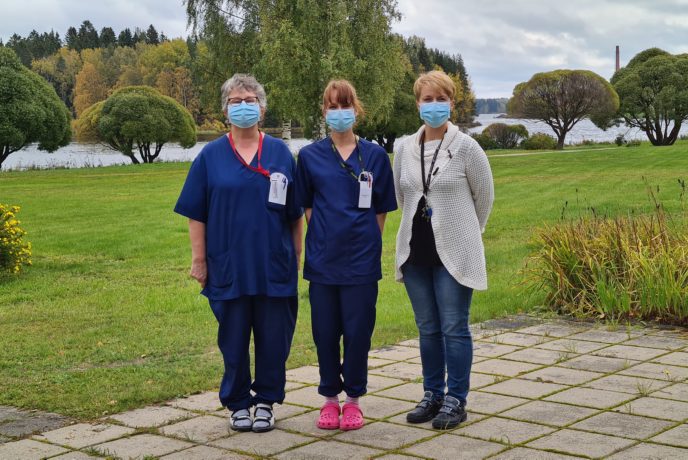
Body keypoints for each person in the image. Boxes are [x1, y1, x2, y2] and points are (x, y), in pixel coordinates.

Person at [174, 74, 303, 433]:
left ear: (262, 108)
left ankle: (266, 401)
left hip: (273, 264)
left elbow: (295, 213)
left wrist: (296, 255)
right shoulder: (210, 157)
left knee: (274, 339)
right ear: (225, 110)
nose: (243, 106)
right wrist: (199, 260)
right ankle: (238, 402)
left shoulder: (280, 153)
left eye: (250, 100)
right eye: (236, 100)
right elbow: (196, 213)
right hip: (228, 264)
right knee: (232, 340)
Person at [393, 70, 494, 429]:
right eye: (427, 99)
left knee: (454, 326)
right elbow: (402, 196)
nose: (434, 105)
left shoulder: (467, 147)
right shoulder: (404, 148)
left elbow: (484, 198)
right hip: (416, 251)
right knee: (428, 328)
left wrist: (467, 233)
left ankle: (456, 399)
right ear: (417, 104)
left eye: (441, 99)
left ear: (452, 103)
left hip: (455, 251)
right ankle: (432, 393)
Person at [295, 80, 397, 431]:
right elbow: (307, 206)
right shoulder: (309, 156)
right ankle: (329, 398)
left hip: (361, 262)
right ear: (324, 111)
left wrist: (364, 239)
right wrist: (326, 235)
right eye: (332, 106)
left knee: (358, 333)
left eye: (345, 105)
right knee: (325, 333)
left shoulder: (375, 156)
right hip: (323, 262)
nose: (339, 112)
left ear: (357, 110)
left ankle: (353, 400)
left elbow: (381, 209)